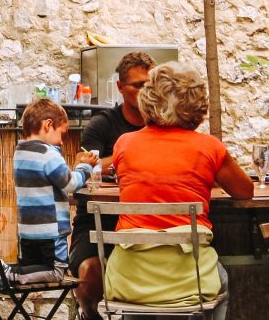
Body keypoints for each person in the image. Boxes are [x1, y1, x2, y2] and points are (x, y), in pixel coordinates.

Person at [105, 62, 253, 318]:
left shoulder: (124, 144)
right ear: (197, 105)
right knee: (223, 279)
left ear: (147, 100)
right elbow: (245, 190)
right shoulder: (209, 147)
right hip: (191, 281)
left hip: (129, 281)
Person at [68, 51, 154, 320]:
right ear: (119, 87)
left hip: (148, 222)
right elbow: (83, 166)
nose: (144, 91)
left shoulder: (163, 125)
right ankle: (89, 314)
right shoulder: (102, 125)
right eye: (138, 85)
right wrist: (127, 156)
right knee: (89, 272)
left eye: (149, 85)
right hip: (97, 224)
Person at [6, 98, 97, 285]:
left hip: (27, 231)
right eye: (61, 134)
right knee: (56, 272)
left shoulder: (20, 152)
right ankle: (6, 274)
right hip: (50, 231)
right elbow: (70, 184)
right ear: (48, 125)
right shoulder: (48, 154)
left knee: (34, 269)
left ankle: (6, 272)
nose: (62, 142)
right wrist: (85, 168)